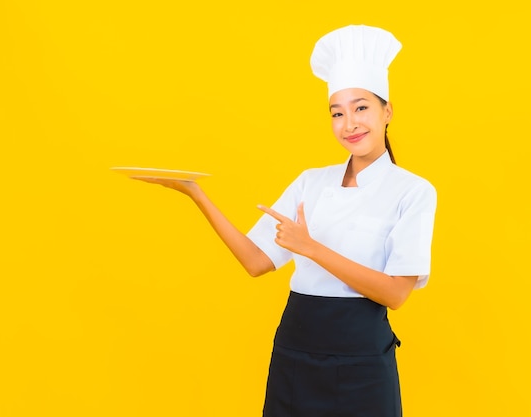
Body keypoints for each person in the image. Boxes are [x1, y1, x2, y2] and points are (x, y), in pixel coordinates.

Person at [133, 24, 436, 417]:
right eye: (337, 113)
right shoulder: (310, 182)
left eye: (361, 107)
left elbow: (396, 294)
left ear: (387, 111)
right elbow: (256, 262)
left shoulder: (412, 191)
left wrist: (310, 248)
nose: (350, 124)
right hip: (296, 350)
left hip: (362, 358)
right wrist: (195, 193)